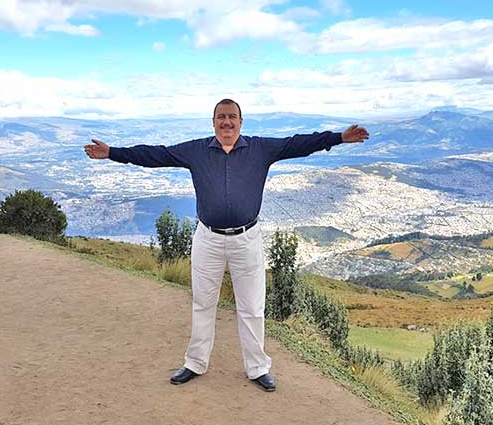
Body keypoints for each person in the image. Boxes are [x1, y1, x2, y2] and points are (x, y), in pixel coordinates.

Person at [84, 99, 369, 392]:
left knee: (252, 306)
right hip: (208, 239)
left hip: (247, 239)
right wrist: (112, 153)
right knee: (203, 303)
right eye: (221, 117)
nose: (227, 122)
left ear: (241, 122)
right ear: (213, 122)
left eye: (232, 117)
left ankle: (257, 367)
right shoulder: (196, 151)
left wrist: (339, 138)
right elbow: (155, 154)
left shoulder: (260, 149)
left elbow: (298, 143)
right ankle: (195, 362)